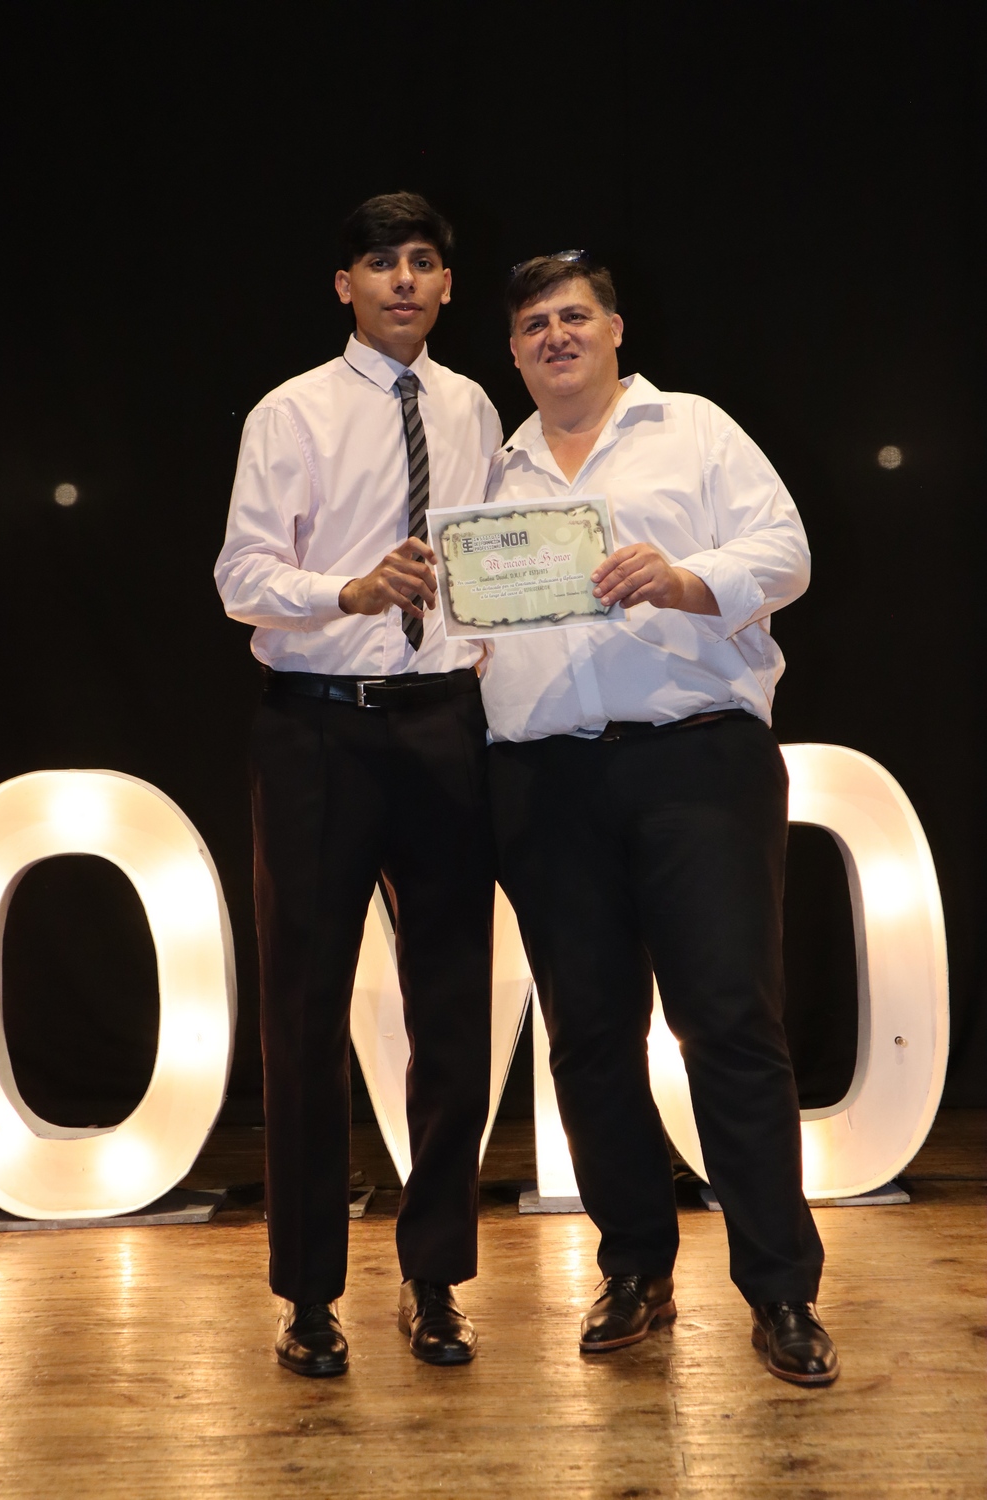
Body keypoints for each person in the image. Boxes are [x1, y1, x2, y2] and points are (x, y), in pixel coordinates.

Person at [481, 252, 839, 1386]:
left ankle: (781, 1291)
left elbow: (785, 554)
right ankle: (634, 1267)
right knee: (587, 1036)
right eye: (533, 324)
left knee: (728, 1024)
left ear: (616, 327)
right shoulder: (492, 470)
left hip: (696, 761)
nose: (555, 336)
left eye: (573, 315)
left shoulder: (694, 429)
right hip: (544, 778)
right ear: (513, 350)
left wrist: (684, 579)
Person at [215, 193, 501, 1377]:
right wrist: (348, 591)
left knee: (453, 1011)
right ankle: (308, 1297)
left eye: (423, 261)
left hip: (442, 724)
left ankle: (435, 1282)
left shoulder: (473, 406)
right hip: (319, 727)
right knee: (304, 1015)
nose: (403, 280)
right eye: (381, 262)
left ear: (447, 285)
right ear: (345, 285)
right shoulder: (291, 411)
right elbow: (241, 575)